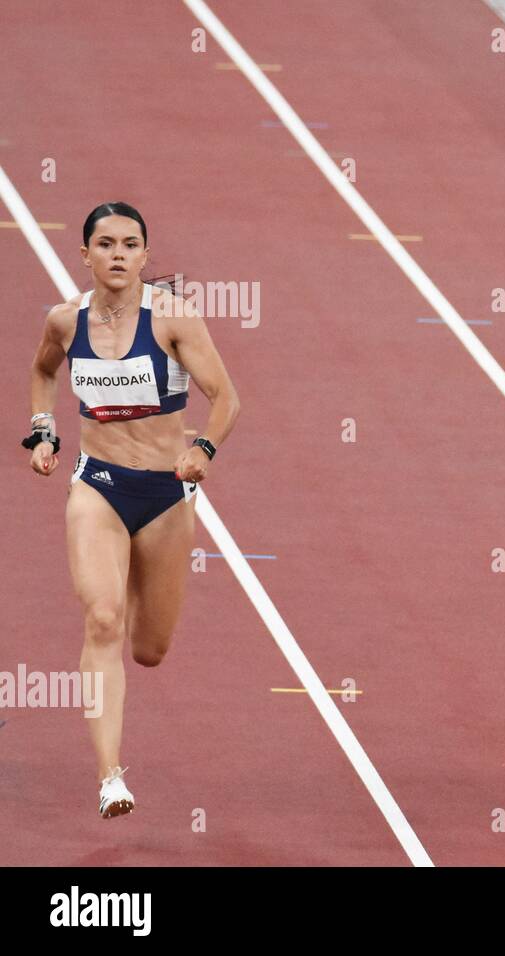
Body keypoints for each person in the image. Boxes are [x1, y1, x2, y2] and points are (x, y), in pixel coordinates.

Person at [24, 202, 240, 816]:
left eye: (130, 244)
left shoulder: (173, 319)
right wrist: (44, 431)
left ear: (146, 256)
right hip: (98, 487)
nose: (117, 254)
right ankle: (110, 777)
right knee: (101, 618)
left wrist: (202, 446)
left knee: (148, 648)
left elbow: (226, 397)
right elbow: (42, 374)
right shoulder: (65, 322)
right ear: (85, 255)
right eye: (105, 243)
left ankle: (141, 634)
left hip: (166, 494)